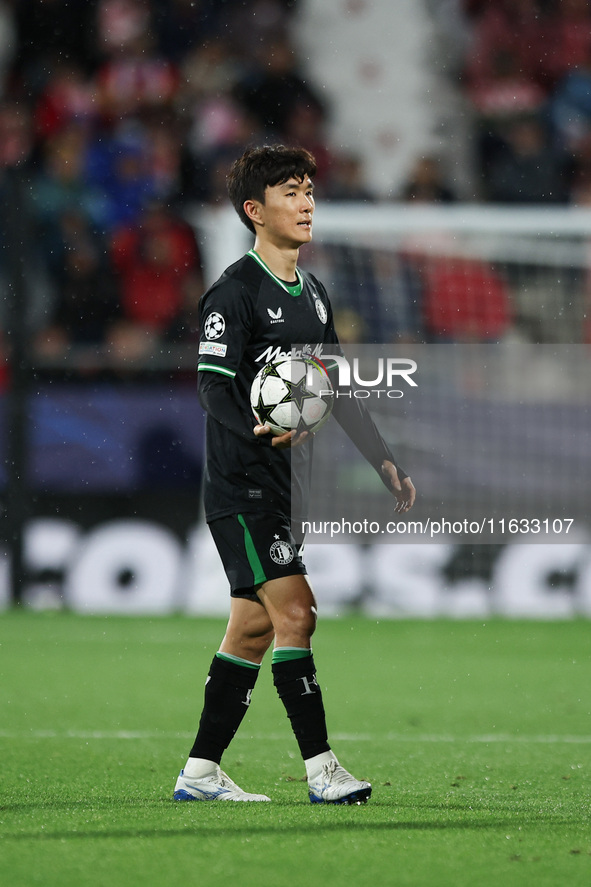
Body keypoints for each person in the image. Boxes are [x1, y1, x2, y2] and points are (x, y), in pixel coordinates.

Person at [173, 145, 416, 805]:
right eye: (289, 191)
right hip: (241, 487)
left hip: (286, 486)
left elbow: (333, 388)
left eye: (308, 189)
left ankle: (199, 772)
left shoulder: (312, 291)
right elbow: (212, 388)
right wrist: (256, 429)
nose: (306, 202)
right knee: (297, 614)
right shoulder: (235, 290)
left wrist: (384, 459)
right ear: (255, 210)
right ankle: (322, 769)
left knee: (251, 629)